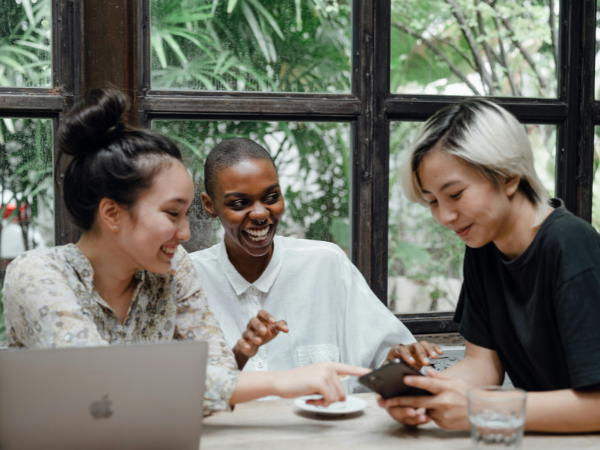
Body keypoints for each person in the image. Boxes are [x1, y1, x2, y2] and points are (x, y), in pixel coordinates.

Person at [1, 89, 369, 415]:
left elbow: (220, 375)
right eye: (172, 213)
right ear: (112, 213)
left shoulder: (172, 269)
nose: (186, 232)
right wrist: (279, 382)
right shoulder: (37, 275)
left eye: (187, 213)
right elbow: (99, 380)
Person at [379, 100, 600, 432]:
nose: (444, 217)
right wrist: (424, 394)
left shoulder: (571, 246)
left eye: (455, 194)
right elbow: (482, 365)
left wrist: (481, 409)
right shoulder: (484, 245)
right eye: (433, 202)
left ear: (509, 176)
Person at [189, 138, 415, 393]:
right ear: (209, 205)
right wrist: (240, 355)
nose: (261, 214)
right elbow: (183, 392)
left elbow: (385, 358)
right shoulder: (190, 280)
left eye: (271, 197)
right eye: (239, 203)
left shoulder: (326, 264)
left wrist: (402, 359)